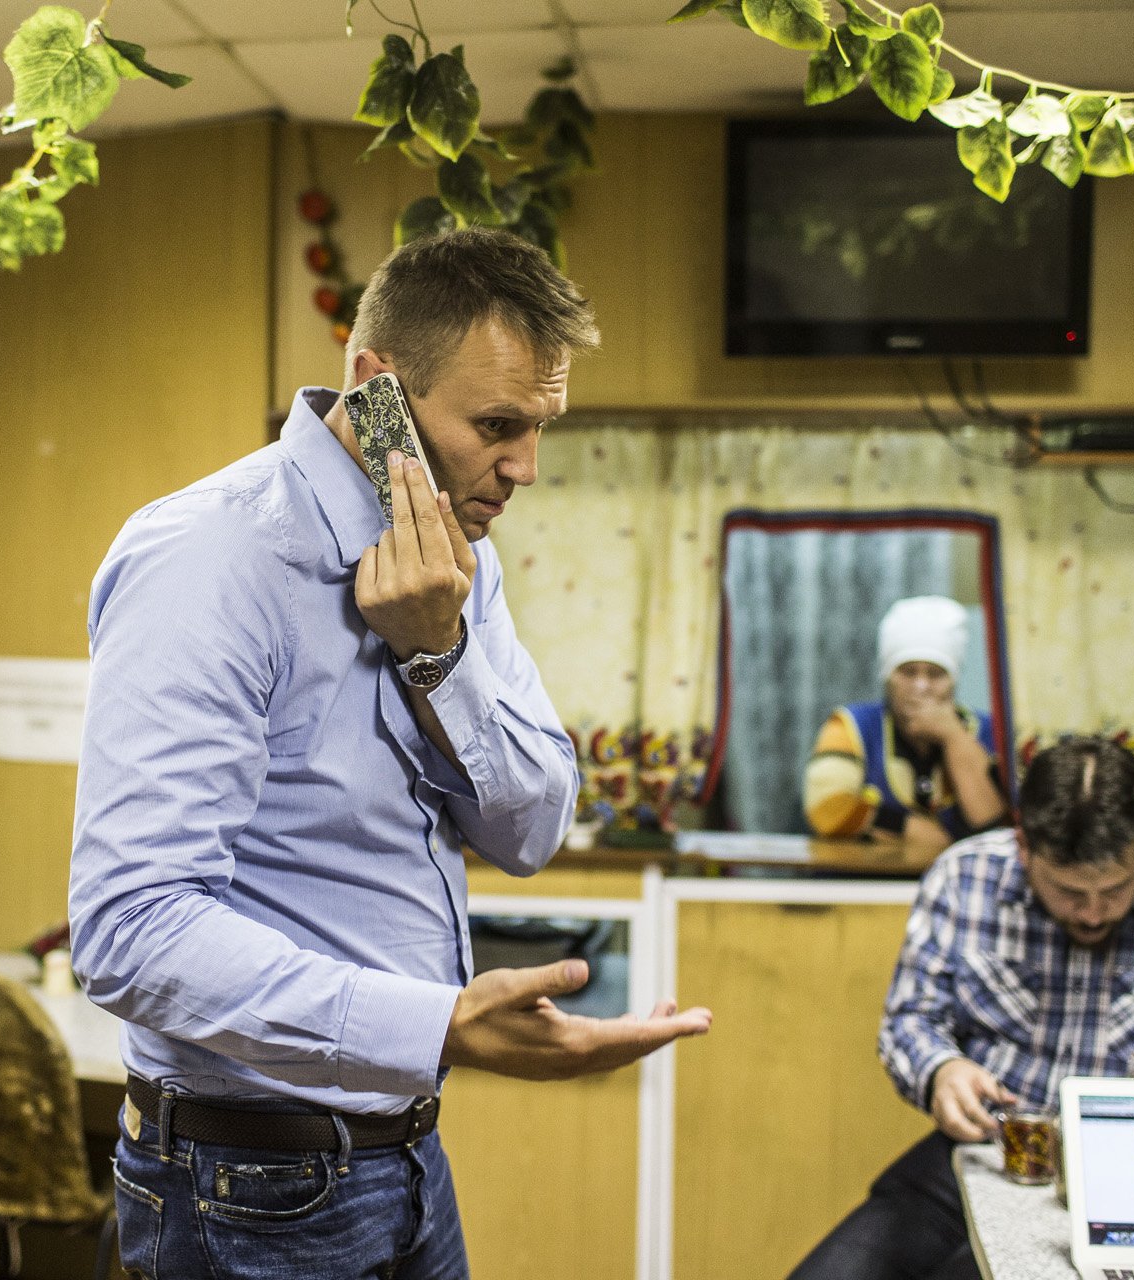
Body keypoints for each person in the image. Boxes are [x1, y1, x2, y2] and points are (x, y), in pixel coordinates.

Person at [69, 228, 711, 1280]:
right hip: (244, 1184)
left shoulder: (461, 557)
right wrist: (442, 1024)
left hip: (405, 1159)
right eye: (497, 424)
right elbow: (130, 931)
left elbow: (534, 826)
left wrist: (440, 652)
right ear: (376, 388)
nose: (526, 468)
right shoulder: (212, 554)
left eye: (541, 428)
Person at [789, 736, 1134, 1280]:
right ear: (1024, 847)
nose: (1092, 914)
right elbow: (911, 1018)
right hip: (984, 1155)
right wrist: (940, 1070)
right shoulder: (964, 875)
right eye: (1067, 892)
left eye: (1115, 890)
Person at [803, 595, 1007, 854]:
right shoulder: (850, 726)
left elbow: (992, 824)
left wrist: (953, 735)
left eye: (935, 674)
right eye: (908, 672)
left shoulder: (988, 732)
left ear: (954, 681)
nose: (921, 687)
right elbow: (827, 806)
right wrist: (911, 829)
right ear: (888, 678)